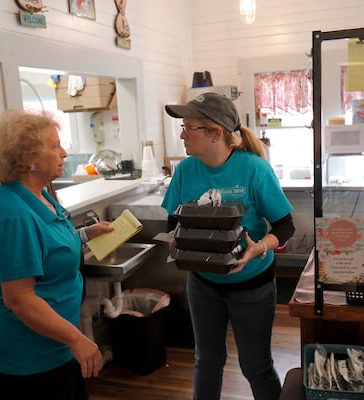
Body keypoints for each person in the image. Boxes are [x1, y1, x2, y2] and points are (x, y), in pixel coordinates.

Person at [161, 92, 295, 400]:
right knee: (206, 361)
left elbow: (285, 226)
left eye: (188, 127)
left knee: (255, 366)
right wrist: (174, 242)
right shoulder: (184, 171)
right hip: (202, 282)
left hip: (251, 284)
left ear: (215, 133)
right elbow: (172, 222)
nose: (182, 134)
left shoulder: (254, 169)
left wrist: (257, 248)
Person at [0, 109, 113, 400]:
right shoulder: (14, 215)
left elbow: (46, 249)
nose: (64, 152)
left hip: (55, 345)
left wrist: (88, 234)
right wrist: (78, 339)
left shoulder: (40, 195)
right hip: (25, 358)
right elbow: (19, 299)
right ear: (28, 159)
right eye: (54, 146)